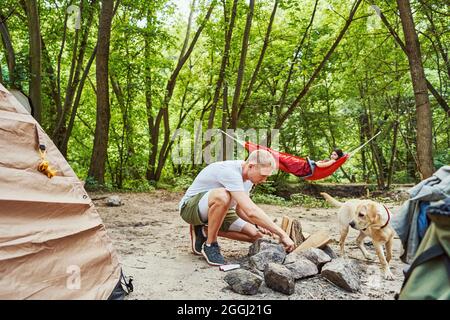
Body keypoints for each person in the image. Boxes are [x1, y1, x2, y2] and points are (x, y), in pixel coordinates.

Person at [179, 149, 295, 266]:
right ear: (251, 166)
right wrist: (282, 234)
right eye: (263, 175)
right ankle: (211, 244)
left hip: (220, 211)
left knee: (256, 236)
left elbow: (241, 210)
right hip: (190, 209)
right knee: (222, 195)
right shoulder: (230, 172)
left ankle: (203, 230)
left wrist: (258, 223)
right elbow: (251, 210)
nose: (264, 180)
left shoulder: (249, 179)